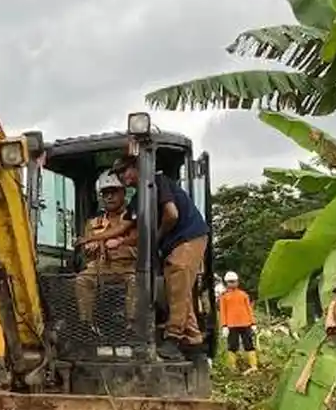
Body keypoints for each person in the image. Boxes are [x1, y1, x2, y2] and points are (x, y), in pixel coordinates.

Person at [86, 154, 210, 360]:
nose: (122, 176)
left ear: (137, 167)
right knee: (178, 289)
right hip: (171, 243)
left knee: (177, 279)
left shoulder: (158, 182)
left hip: (189, 237)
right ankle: (194, 342)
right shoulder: (138, 199)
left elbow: (172, 214)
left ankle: (172, 337)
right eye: (118, 173)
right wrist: (90, 238)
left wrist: (155, 238)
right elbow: (123, 228)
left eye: (124, 171)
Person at [74, 173, 138, 322]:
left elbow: (140, 244)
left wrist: (119, 242)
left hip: (128, 267)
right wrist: (90, 248)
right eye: (105, 193)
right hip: (100, 268)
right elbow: (84, 254)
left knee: (136, 281)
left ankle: (132, 326)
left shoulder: (133, 219)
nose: (109, 197)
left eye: (113, 192)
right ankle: (86, 325)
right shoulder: (93, 223)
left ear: (123, 192)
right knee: (82, 280)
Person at [218, 271, 258, 374]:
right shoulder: (224, 297)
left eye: (234, 281)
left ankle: (254, 366)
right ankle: (232, 367)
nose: (232, 284)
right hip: (231, 325)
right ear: (227, 283)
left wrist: (253, 323)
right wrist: (224, 325)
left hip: (245, 323)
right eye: (230, 282)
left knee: (249, 345)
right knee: (232, 346)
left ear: (237, 282)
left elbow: (249, 309)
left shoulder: (243, 295)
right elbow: (223, 312)